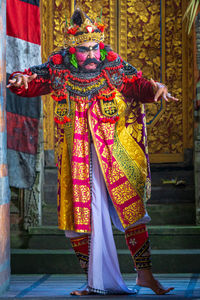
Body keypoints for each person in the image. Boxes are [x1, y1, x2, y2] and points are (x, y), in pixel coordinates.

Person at [7, 8, 178, 296]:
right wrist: (21, 80)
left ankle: (145, 275)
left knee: (134, 212)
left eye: (94, 48)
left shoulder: (113, 68)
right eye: (84, 50)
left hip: (114, 155)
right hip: (77, 159)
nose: (90, 55)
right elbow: (31, 81)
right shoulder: (58, 69)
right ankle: (93, 280)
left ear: (100, 46)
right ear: (72, 49)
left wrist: (157, 88)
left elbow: (140, 85)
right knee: (77, 221)